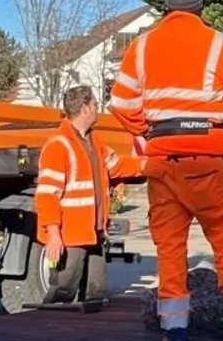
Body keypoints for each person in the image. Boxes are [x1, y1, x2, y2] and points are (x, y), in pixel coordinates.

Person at [109, 0, 223, 341]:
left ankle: (175, 330)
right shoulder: (220, 45)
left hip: (163, 163)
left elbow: (121, 103)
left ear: (167, 6)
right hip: (210, 161)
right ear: (201, 6)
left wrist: (147, 131)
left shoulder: (142, 47)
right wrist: (217, 127)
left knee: (170, 250)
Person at [34, 85, 147, 284]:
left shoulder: (94, 142)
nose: (98, 109)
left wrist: (149, 164)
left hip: (94, 233)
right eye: (95, 104)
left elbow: (117, 166)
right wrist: (53, 235)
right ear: (85, 108)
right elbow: (47, 195)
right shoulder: (58, 145)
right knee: (64, 291)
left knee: (95, 292)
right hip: (70, 236)